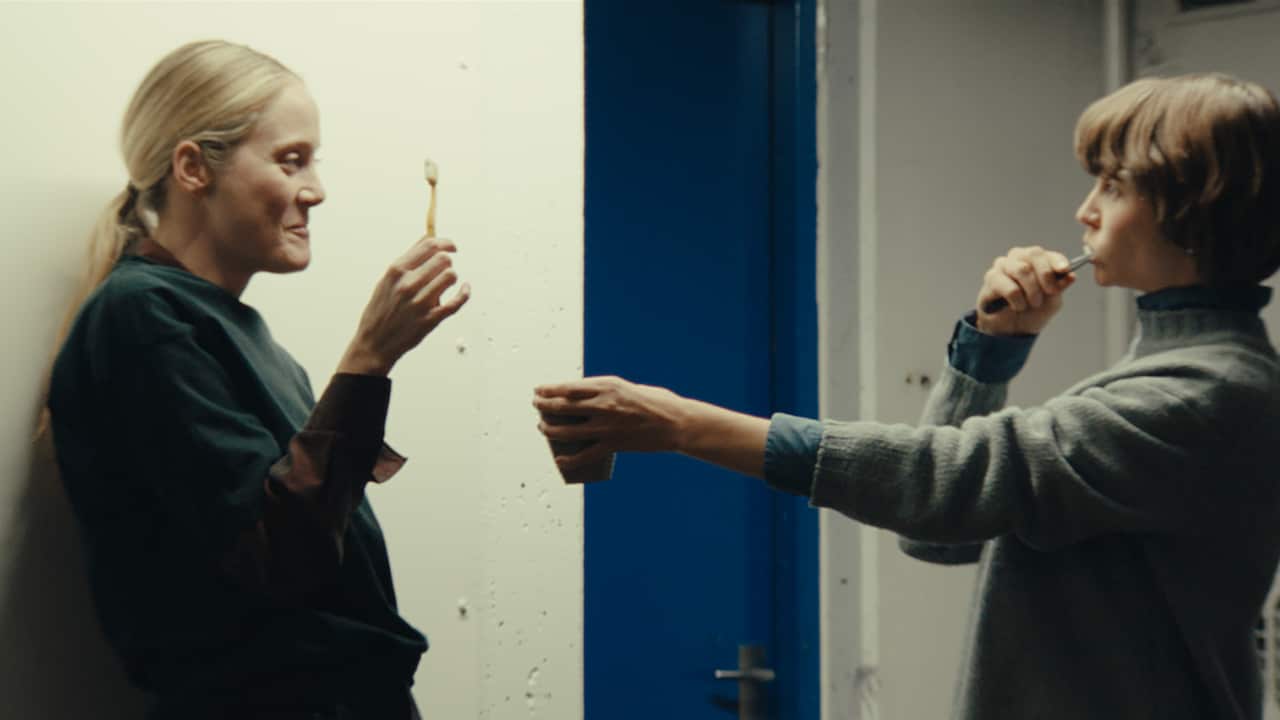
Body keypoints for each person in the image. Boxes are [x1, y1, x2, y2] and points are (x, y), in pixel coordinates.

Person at [535, 72, 1280, 718]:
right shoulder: (1176, 370)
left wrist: (679, 425)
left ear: (1196, 211)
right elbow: (942, 535)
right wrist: (992, 348)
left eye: (1114, 187)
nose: (1086, 210)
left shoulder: (1204, 393)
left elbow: (945, 482)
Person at [42, 40, 469, 719]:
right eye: (290, 158)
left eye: (313, 160)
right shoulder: (142, 315)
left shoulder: (245, 336)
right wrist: (369, 357)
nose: (317, 189)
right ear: (191, 168)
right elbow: (280, 559)